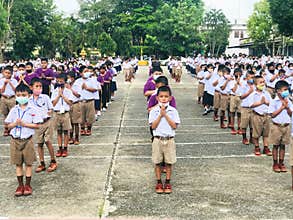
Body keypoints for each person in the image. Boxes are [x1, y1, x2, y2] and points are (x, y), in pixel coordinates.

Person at [5, 83, 43, 196]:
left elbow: (37, 125)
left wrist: (24, 124)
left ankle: (28, 185)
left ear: (29, 95)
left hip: (27, 140)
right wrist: (14, 124)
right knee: (18, 163)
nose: (21, 97)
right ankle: (20, 185)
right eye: (18, 95)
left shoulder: (33, 109)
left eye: (23, 95)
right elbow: (8, 125)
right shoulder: (14, 110)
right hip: (15, 139)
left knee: (28, 163)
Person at [149, 86, 180, 194]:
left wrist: (165, 115)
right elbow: (153, 126)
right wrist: (160, 115)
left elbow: (174, 126)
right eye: (161, 96)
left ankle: (167, 181)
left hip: (169, 139)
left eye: (166, 97)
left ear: (170, 98)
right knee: (157, 162)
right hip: (158, 139)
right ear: (157, 98)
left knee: (169, 162)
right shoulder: (153, 111)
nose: (164, 99)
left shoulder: (173, 111)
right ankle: (158, 181)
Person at [29, 78, 57, 173]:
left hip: (47, 122)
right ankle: (42, 162)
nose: (39, 88)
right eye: (36, 86)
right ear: (31, 87)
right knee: (39, 143)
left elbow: (51, 108)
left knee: (48, 141)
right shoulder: (29, 100)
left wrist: (49, 112)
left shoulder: (45, 97)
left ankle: (53, 161)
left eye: (40, 86)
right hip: (37, 124)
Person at [268, 80, 293, 172]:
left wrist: (287, 108)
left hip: (286, 126)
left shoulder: (288, 101)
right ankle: (275, 163)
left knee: (283, 146)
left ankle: (281, 163)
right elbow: (272, 114)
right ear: (278, 91)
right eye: (285, 89)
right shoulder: (274, 101)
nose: (287, 91)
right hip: (276, 126)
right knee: (275, 145)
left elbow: (291, 114)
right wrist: (282, 107)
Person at [51, 73, 74, 157]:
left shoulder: (68, 91)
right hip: (57, 113)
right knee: (59, 132)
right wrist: (58, 95)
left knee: (66, 131)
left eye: (61, 81)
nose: (59, 83)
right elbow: (53, 103)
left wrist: (63, 95)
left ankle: (65, 148)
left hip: (65, 113)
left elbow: (70, 103)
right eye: (58, 81)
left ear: (65, 82)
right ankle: (60, 148)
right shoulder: (54, 91)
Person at [249, 76, 272, 156]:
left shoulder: (267, 93)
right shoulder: (253, 94)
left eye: (263, 82)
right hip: (257, 115)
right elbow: (251, 105)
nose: (263, 84)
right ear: (255, 84)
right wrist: (260, 103)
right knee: (256, 133)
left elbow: (271, 104)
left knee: (266, 133)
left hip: (266, 116)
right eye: (260, 82)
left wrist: (266, 103)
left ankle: (266, 147)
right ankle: (257, 147)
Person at [76, 66, 98, 135]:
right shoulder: (78, 81)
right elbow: (75, 91)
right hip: (81, 101)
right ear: (80, 73)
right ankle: (82, 129)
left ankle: (89, 129)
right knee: (81, 116)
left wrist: (87, 88)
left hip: (90, 100)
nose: (87, 73)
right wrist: (81, 88)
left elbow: (95, 89)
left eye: (87, 71)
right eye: (85, 71)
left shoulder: (92, 80)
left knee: (90, 116)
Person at [0, 66, 18, 136]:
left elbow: (16, 90)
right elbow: (1, 91)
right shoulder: (1, 81)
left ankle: (12, 129)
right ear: (3, 73)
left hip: (12, 98)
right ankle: (6, 129)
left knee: (13, 114)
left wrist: (10, 83)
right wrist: (4, 84)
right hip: (4, 98)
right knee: (5, 114)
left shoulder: (14, 81)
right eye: (6, 73)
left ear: (11, 74)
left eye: (9, 73)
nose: (7, 74)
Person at [66, 72, 82, 145]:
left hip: (75, 104)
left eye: (69, 77)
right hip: (68, 104)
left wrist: (70, 89)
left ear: (72, 78)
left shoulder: (77, 85)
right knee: (70, 122)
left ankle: (76, 138)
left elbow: (78, 95)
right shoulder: (66, 85)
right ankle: (71, 137)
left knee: (76, 122)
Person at [240, 71, 255, 145]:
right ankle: (244, 138)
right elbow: (241, 96)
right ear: (247, 77)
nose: (252, 79)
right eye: (251, 77)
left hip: (254, 107)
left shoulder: (256, 85)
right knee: (244, 124)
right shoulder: (243, 85)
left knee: (252, 125)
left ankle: (252, 138)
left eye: (253, 77)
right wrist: (249, 91)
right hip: (245, 107)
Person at [229, 68, 243, 135]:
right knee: (232, 112)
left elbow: (244, 89)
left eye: (239, 73)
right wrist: (236, 83)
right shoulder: (232, 81)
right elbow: (234, 90)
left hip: (240, 97)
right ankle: (232, 127)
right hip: (233, 96)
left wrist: (240, 83)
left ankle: (239, 127)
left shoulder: (243, 81)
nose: (238, 75)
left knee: (239, 113)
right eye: (236, 73)